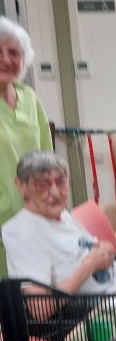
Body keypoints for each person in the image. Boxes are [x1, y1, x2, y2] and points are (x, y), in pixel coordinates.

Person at [2, 150, 116, 299]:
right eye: (42, 185)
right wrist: (89, 266)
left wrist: (103, 250)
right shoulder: (23, 233)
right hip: (108, 304)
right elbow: (39, 306)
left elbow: (83, 249)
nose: (55, 193)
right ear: (21, 186)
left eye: (61, 182)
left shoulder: (62, 215)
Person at [0, 17, 53, 278]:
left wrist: (51, 198)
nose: (6, 60)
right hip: (3, 217)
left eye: (14, 52)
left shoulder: (29, 97)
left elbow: (46, 157)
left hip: (35, 211)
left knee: (36, 288)